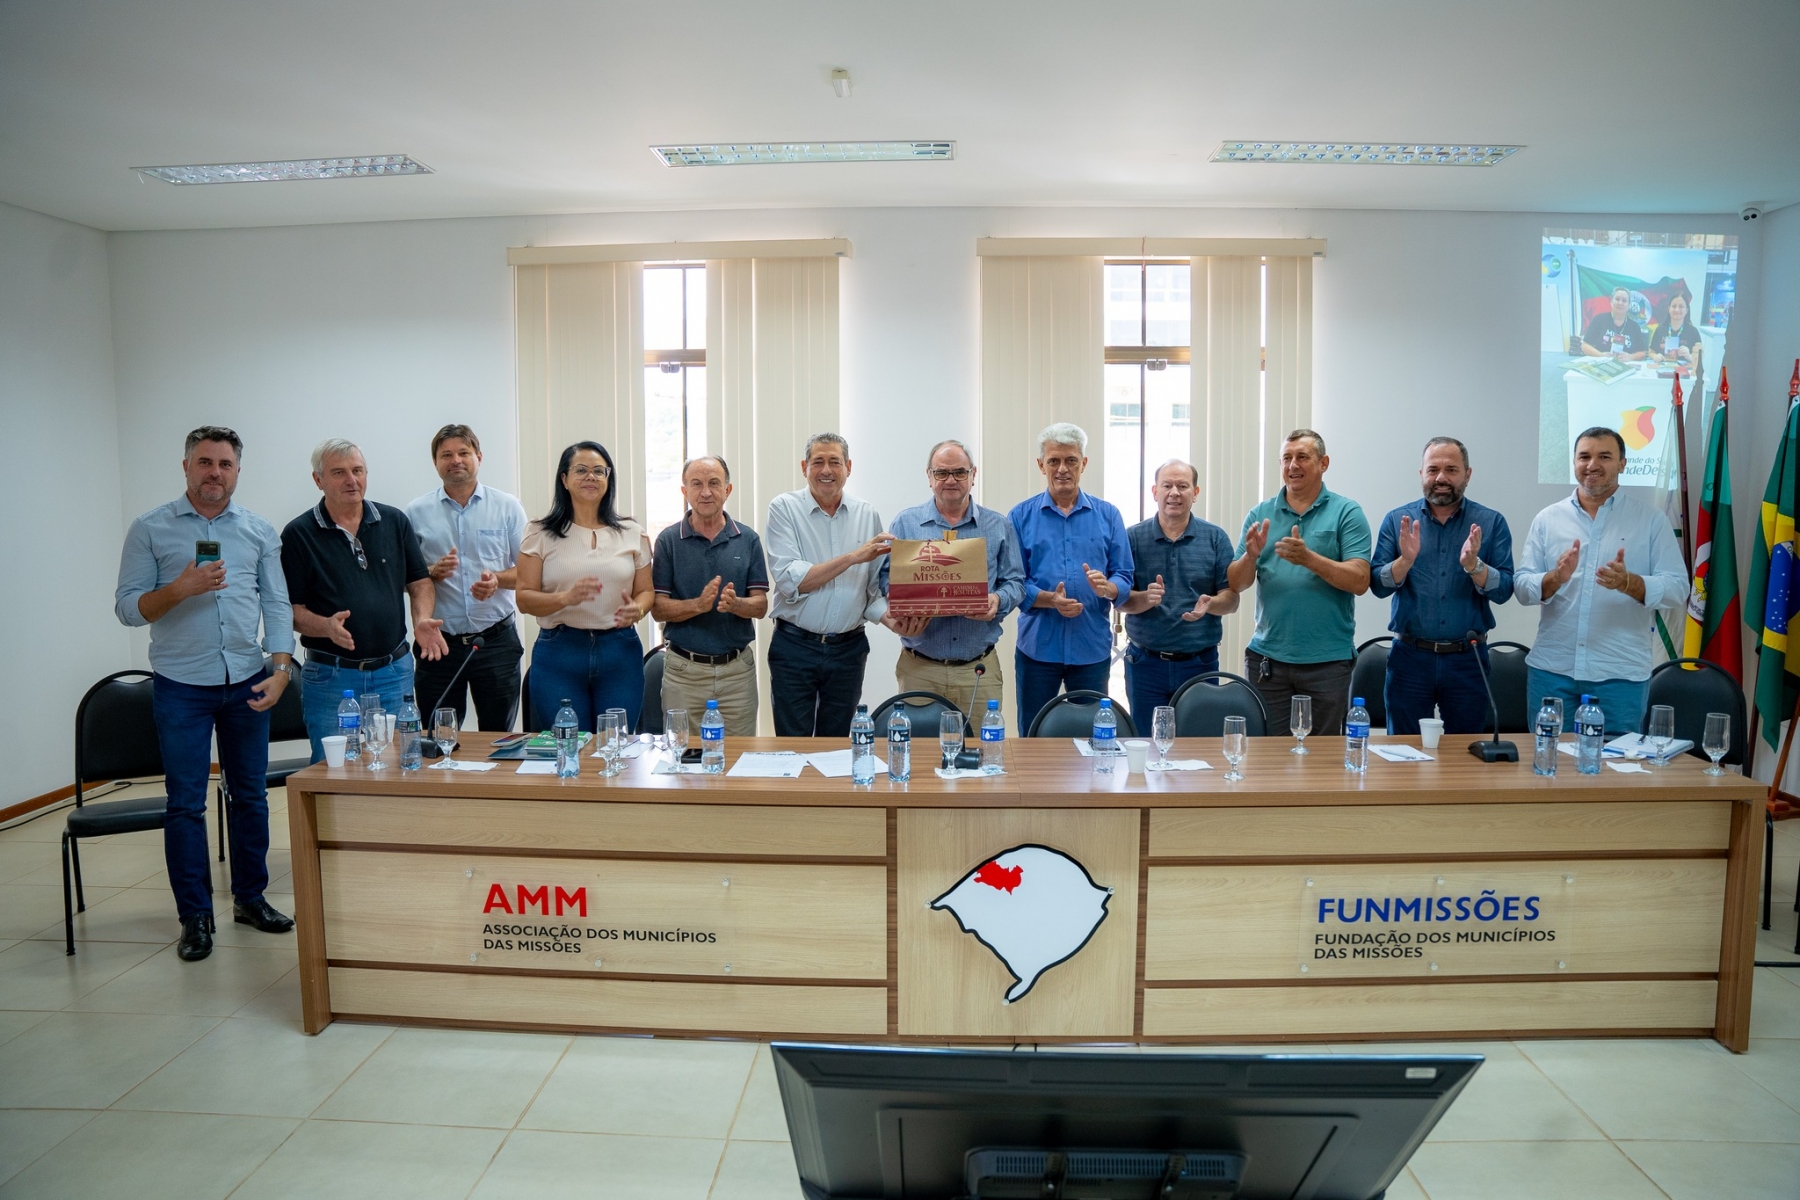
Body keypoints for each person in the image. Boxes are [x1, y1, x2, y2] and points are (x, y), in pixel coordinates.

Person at [114, 427, 296, 962]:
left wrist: (281, 668)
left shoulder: (258, 531)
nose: (215, 472)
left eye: (225, 463)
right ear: (186, 467)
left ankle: (250, 899)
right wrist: (178, 589)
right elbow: (127, 608)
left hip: (247, 680)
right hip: (181, 687)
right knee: (186, 805)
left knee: (251, 796)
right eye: (205, 462)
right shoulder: (150, 528)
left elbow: (277, 605)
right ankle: (194, 916)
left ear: (237, 471)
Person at [1514, 426, 1688, 735]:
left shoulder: (1650, 520)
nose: (1592, 464)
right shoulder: (1548, 519)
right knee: (1548, 759)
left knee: (1615, 763)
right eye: (1584, 456)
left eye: (1604, 457)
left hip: (1619, 674)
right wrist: (1554, 578)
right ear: (1574, 462)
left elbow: (1677, 589)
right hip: (1552, 671)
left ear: (1622, 463)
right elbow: (1522, 588)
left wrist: (1629, 583)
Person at [281, 439, 447, 761]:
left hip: (393, 671)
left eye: (358, 471)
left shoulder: (394, 521)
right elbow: (291, 611)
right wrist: (325, 626)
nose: (351, 480)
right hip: (331, 676)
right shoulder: (298, 534)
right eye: (339, 473)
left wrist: (422, 620)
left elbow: (419, 582)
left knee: (402, 763)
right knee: (332, 769)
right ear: (318, 480)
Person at [1227, 429, 1372, 737]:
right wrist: (1250, 556)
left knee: (1321, 757)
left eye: (1303, 457)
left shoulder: (1347, 512)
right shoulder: (1260, 514)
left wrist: (1309, 559)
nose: (1293, 465)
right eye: (1287, 458)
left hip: (1328, 663)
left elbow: (1360, 580)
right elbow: (1237, 584)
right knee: (1270, 754)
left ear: (1323, 463)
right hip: (1268, 660)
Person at [1369, 437, 1516, 735]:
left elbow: (1504, 591)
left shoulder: (1491, 522)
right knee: (1405, 750)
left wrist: (1474, 566)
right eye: (1433, 469)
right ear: (1421, 474)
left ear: (1467, 474)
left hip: (1467, 660)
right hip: (1409, 658)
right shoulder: (1398, 520)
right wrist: (1405, 561)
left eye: (1451, 470)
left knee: (1465, 752)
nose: (1441, 478)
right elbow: (1378, 585)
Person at [880, 439, 1025, 721]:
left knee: (982, 745)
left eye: (959, 472)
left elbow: (1016, 582)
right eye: (941, 473)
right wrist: (900, 602)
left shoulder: (998, 525)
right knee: (918, 747)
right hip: (920, 669)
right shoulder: (905, 523)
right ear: (929, 476)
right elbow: (885, 577)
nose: (950, 480)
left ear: (973, 475)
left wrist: (998, 600)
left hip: (979, 669)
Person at [517, 441, 654, 732]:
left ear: (608, 478)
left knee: (615, 745)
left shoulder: (632, 532)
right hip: (559, 653)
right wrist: (565, 598)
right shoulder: (539, 532)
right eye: (580, 470)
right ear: (564, 479)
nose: (590, 477)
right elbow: (524, 599)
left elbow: (647, 592)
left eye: (598, 471)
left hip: (620, 652)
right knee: (568, 746)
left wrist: (638, 610)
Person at [1008, 423, 1133, 734]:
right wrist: (1049, 600)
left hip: (1091, 647)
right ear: (1041, 465)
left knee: (1092, 738)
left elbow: (1124, 574)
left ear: (1084, 463)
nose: (1062, 469)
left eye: (1071, 460)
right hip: (1037, 649)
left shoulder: (1109, 515)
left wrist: (1109, 587)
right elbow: (1013, 581)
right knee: (1034, 735)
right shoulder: (1020, 516)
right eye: (1054, 461)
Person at [764, 433, 891, 737]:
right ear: (804, 467)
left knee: (836, 747)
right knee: (792, 746)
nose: (826, 470)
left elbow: (873, 588)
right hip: (795, 648)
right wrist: (852, 557)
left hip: (849, 650)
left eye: (835, 462)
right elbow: (793, 580)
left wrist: (895, 621)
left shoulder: (867, 513)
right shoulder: (783, 508)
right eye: (818, 462)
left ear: (848, 467)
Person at [405, 424, 528, 731]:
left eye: (463, 452)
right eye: (446, 455)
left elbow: (529, 572)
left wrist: (497, 580)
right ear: (435, 462)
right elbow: (403, 577)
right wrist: (431, 572)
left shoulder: (507, 507)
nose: (455, 460)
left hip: (496, 641)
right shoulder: (415, 513)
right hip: (439, 643)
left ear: (479, 457)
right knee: (437, 735)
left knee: (498, 737)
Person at [652, 455, 769, 737]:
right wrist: (698, 605)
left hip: (737, 674)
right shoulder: (668, 540)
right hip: (683, 673)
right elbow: (658, 609)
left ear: (727, 490)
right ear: (685, 491)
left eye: (714, 483)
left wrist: (736, 604)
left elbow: (761, 605)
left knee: (739, 756)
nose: (706, 492)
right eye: (697, 484)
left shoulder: (748, 539)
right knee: (683, 754)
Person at [1117, 459, 1238, 723]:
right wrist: (1143, 598)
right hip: (1145, 664)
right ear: (1154, 492)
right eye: (1167, 486)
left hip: (1200, 664)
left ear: (1195, 493)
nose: (1174, 493)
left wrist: (1211, 604)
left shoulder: (1215, 538)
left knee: (1198, 740)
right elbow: (1120, 600)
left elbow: (1231, 599)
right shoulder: (1132, 538)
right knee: (1147, 740)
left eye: (1183, 486)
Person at [1580, 286, 1648, 360]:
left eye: (1624, 300)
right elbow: (1585, 346)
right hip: (1602, 363)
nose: (1620, 303)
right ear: (1611, 302)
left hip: (1625, 365)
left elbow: (1642, 353)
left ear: (1628, 306)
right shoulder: (1599, 319)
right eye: (1617, 299)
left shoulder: (1634, 326)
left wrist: (1630, 357)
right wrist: (1600, 355)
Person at [1648, 292, 1702, 366]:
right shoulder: (1660, 330)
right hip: (1662, 370)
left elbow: (1700, 358)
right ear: (1668, 309)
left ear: (1687, 310)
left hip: (1684, 371)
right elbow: (1651, 352)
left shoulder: (1693, 332)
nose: (1677, 310)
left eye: (1681, 306)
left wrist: (1689, 356)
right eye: (1674, 306)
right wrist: (1655, 356)